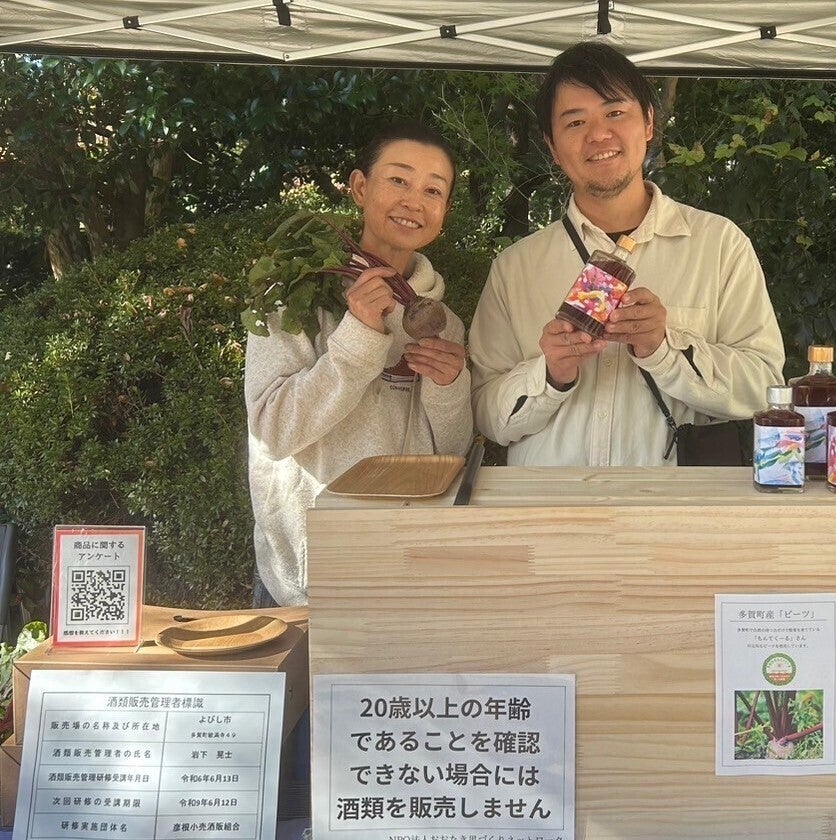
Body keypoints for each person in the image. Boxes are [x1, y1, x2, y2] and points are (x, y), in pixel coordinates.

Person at [469, 41, 785, 466]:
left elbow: (763, 389)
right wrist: (550, 375)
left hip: (674, 502)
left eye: (615, 113)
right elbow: (485, 413)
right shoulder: (515, 269)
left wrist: (664, 348)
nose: (598, 135)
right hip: (552, 503)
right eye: (575, 121)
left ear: (649, 121)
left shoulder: (720, 245)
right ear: (552, 146)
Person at [245, 122, 472, 606]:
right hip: (311, 579)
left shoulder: (443, 322)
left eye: (433, 190)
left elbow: (450, 452)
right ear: (360, 187)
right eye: (399, 180)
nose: (414, 201)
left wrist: (450, 386)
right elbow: (273, 433)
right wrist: (357, 340)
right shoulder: (294, 297)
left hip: (407, 570)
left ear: (444, 212)